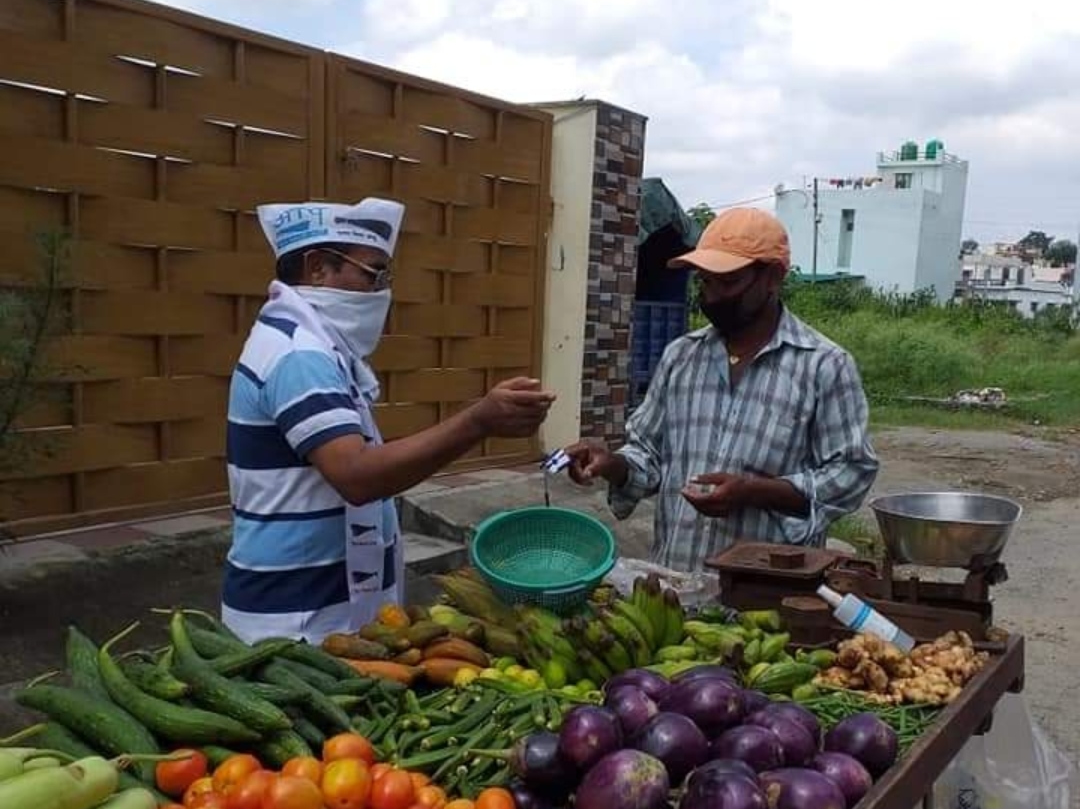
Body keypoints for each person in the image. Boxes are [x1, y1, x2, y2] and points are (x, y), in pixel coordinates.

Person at [222, 198, 554, 643]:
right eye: (373, 273)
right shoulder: (299, 355)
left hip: (319, 610)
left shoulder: (310, 344)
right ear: (318, 268)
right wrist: (478, 421)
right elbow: (356, 474)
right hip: (296, 621)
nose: (383, 291)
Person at [565, 206, 878, 572]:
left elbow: (851, 473)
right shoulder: (681, 357)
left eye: (727, 283)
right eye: (705, 282)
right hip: (676, 582)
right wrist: (613, 464)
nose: (712, 297)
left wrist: (753, 493)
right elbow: (647, 454)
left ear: (773, 277)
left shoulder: (823, 366)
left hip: (767, 594)